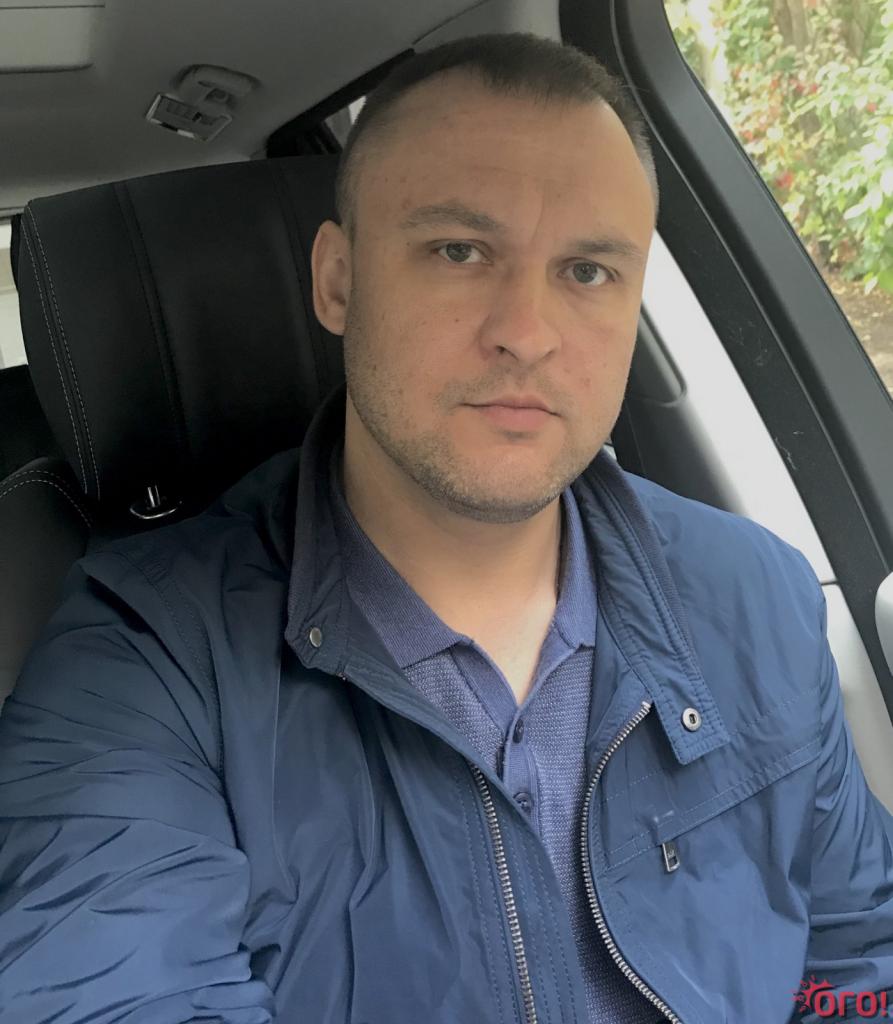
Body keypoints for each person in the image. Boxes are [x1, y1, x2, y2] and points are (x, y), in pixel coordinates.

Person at [1, 31, 892, 1024]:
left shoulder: (757, 594)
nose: (526, 331)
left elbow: (854, 962)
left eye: (587, 270)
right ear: (337, 282)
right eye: (458, 251)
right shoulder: (143, 656)